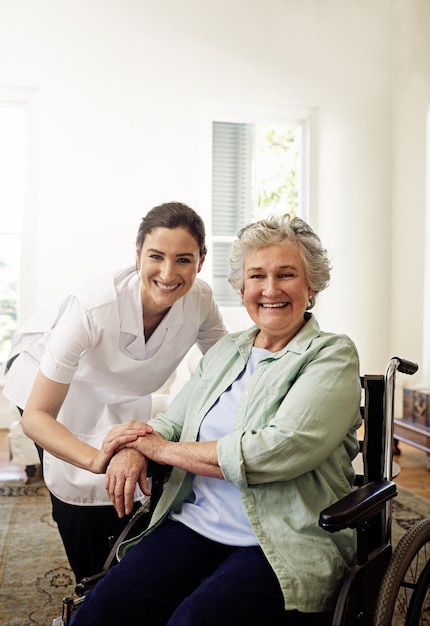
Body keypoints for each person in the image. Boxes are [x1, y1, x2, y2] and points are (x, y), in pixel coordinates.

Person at [69, 212, 362, 626]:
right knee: (100, 614)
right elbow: (173, 421)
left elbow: (277, 451)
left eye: (287, 275)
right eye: (257, 276)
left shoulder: (331, 355)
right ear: (242, 288)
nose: (270, 289)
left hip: (281, 540)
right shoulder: (227, 352)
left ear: (311, 286)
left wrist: (161, 449)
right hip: (196, 524)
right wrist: (137, 447)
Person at [2, 201, 227, 583]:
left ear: (202, 261)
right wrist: (94, 460)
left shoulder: (201, 300)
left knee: (127, 495)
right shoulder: (93, 308)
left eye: (184, 260)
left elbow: (229, 366)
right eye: (156, 256)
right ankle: (89, 586)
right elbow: (39, 417)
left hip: (118, 392)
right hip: (51, 389)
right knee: (81, 495)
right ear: (137, 253)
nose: (169, 273)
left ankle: (123, 579)